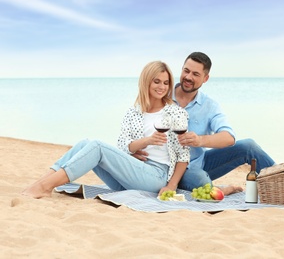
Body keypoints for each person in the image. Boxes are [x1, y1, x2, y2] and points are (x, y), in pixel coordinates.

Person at [22, 61, 190, 199]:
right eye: (157, 81)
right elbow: (123, 146)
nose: (162, 87)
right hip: (129, 176)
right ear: (146, 82)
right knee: (84, 144)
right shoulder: (134, 112)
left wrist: (171, 186)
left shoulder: (175, 112)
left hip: (155, 177)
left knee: (97, 147)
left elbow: (183, 155)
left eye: (166, 83)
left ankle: (45, 186)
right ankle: (40, 183)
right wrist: (146, 141)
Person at [132, 52, 275, 194]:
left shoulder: (209, 105)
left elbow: (229, 138)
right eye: (186, 71)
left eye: (195, 74)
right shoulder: (162, 94)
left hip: (199, 162)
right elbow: (137, 127)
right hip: (170, 169)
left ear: (205, 78)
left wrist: (200, 140)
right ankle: (219, 190)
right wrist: (134, 151)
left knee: (249, 146)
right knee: (200, 180)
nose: (188, 77)